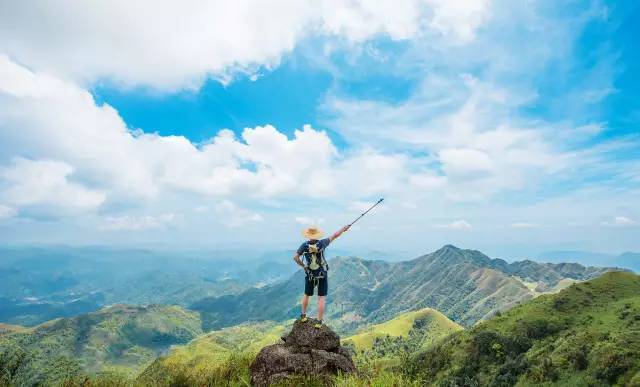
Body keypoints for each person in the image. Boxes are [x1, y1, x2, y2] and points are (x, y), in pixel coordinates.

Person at [293, 225, 350, 328]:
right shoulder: (322, 243)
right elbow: (335, 235)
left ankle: (303, 316)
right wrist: (343, 229)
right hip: (322, 273)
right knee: (321, 298)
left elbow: (295, 257)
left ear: (308, 235)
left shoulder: (304, 246)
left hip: (310, 273)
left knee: (306, 295)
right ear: (317, 234)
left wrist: (304, 266)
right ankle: (319, 322)